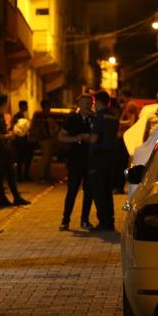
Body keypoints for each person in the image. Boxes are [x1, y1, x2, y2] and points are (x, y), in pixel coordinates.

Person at [58, 94, 94, 231]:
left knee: (89, 191)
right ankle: (65, 220)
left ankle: (85, 220)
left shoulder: (94, 119)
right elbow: (61, 136)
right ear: (79, 105)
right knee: (72, 190)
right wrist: (77, 138)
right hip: (75, 160)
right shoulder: (72, 118)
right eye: (84, 103)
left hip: (90, 160)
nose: (87, 106)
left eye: (89, 103)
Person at [0, 94, 29, 207]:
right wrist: (7, 136)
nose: (8, 105)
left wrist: (12, 130)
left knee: (11, 173)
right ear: (4, 103)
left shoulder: (3, 116)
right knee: (0, 175)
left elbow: (4, 131)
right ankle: (3, 199)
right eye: (7, 102)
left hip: (6, 149)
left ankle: (16, 197)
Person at [87, 91, 119, 232]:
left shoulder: (98, 117)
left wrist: (84, 137)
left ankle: (103, 222)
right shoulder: (113, 116)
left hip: (98, 156)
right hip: (111, 157)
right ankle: (110, 221)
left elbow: (93, 138)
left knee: (98, 191)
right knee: (107, 190)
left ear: (97, 102)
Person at [113, 90, 139, 193]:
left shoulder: (130, 105)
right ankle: (118, 187)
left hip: (124, 138)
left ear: (124, 95)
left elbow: (131, 122)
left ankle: (119, 187)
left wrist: (117, 122)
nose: (119, 98)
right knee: (121, 162)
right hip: (124, 138)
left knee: (120, 163)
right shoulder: (129, 105)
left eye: (120, 95)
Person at [30, 99, 58, 183]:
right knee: (46, 158)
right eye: (48, 106)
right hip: (44, 139)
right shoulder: (42, 116)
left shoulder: (42, 116)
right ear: (45, 106)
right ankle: (42, 175)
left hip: (47, 138)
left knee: (48, 158)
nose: (49, 108)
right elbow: (45, 129)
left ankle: (47, 175)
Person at [12, 100, 33, 181]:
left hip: (24, 140)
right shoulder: (18, 116)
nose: (27, 107)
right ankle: (21, 176)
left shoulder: (24, 115)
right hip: (20, 140)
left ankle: (24, 175)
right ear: (22, 106)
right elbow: (17, 128)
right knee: (20, 159)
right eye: (26, 105)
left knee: (24, 158)